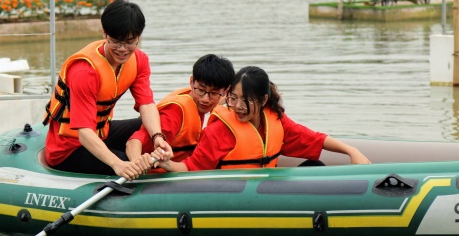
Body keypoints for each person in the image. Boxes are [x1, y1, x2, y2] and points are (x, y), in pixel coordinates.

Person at [43, 0, 171, 180]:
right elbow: (84, 133)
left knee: (164, 120)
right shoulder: (84, 71)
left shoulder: (139, 60)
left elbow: (147, 105)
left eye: (129, 42)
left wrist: (157, 137)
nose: (122, 49)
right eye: (116, 42)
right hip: (69, 149)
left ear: (139, 37)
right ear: (105, 34)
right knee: (134, 164)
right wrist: (117, 164)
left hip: (102, 132)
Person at [153, 66, 371, 171]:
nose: (237, 106)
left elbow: (314, 139)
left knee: (315, 165)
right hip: (234, 195)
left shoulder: (275, 120)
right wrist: (166, 163)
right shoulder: (220, 130)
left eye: (245, 100)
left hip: (268, 188)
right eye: (233, 98)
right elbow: (193, 167)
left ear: (263, 99)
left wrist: (352, 151)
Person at [126, 54, 235, 172]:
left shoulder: (207, 99)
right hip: (152, 176)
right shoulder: (176, 112)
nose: (205, 99)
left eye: (213, 93)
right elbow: (134, 142)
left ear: (225, 92)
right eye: (201, 90)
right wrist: (136, 163)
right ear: (192, 82)